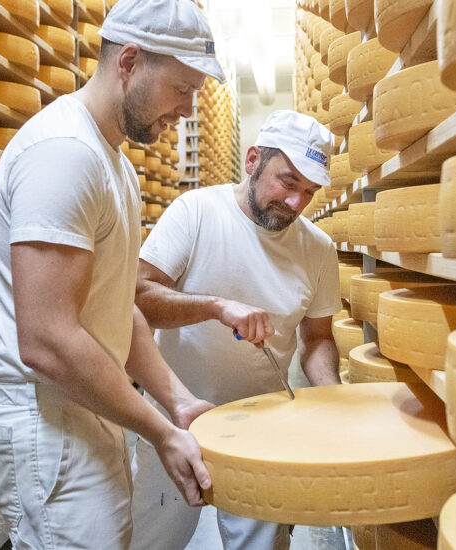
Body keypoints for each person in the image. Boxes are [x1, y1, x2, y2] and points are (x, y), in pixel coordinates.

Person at [0, 1, 227, 548]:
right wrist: (159, 432)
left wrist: (176, 402)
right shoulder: (65, 154)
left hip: (82, 402)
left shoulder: (115, 164)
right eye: (182, 88)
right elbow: (47, 339)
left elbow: (114, 309)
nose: (187, 109)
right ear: (129, 62)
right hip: (43, 418)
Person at [129, 110, 343, 550]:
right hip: (177, 421)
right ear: (252, 161)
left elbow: (318, 337)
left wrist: (332, 400)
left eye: (310, 191)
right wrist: (213, 307)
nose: (297, 203)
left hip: (261, 429)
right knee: (150, 543)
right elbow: (137, 297)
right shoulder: (196, 212)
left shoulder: (318, 250)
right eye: (287, 182)